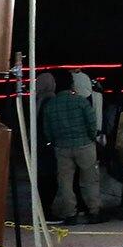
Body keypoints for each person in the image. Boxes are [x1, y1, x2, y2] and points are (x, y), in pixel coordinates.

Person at [40, 71, 103, 224]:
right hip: (85, 145)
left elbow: (47, 129)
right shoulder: (81, 101)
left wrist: (55, 141)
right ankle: (94, 211)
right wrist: (92, 138)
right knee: (90, 180)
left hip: (62, 148)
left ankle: (70, 214)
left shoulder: (50, 105)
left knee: (65, 183)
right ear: (72, 84)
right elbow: (91, 123)